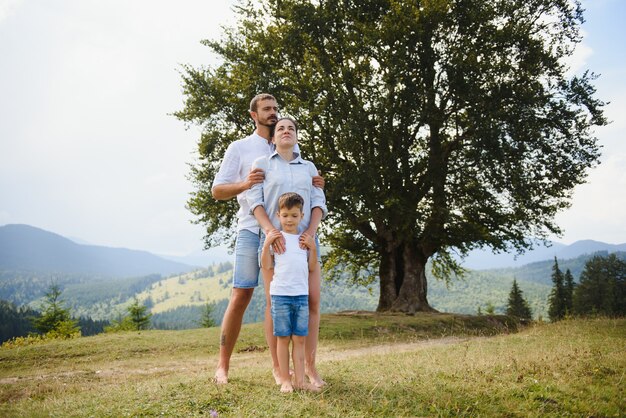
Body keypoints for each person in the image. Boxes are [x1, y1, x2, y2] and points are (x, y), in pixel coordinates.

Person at [211, 94, 323, 384]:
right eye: (267, 110)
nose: (274, 114)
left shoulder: (293, 150)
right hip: (252, 229)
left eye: (276, 109)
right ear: (253, 115)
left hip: (291, 235)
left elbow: (307, 190)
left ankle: (299, 369)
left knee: (299, 298)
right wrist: (246, 183)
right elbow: (218, 190)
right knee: (242, 294)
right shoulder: (241, 149)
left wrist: (316, 185)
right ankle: (223, 366)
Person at [247, 116, 327, 387]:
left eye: (291, 128)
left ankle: (310, 369)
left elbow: (318, 202)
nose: (285, 131)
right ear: (273, 137)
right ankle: (280, 371)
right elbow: (254, 201)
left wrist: (311, 233)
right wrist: (271, 232)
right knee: (274, 306)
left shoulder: (309, 167)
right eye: (280, 128)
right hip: (277, 244)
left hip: (305, 244)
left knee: (313, 301)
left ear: (296, 135)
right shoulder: (261, 165)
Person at [261, 192, 321, 393]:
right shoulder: (277, 239)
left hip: (301, 297)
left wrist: (312, 249)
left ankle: (301, 382)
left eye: (294, 216)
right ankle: (286, 380)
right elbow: (267, 265)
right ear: (278, 215)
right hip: (281, 297)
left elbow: (311, 267)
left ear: (301, 216)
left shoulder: (304, 240)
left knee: (300, 339)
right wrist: (266, 245)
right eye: (285, 215)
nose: (289, 220)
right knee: (283, 339)